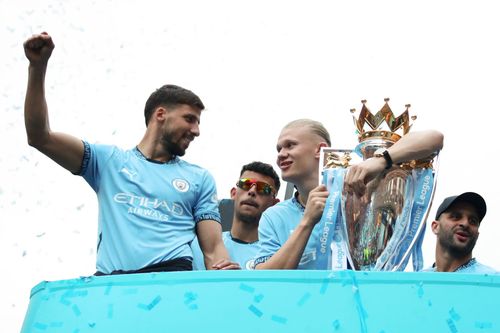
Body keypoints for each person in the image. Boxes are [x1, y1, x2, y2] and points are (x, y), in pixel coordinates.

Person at [23, 32, 238, 274]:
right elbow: (40, 137)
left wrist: (227, 278)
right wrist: (37, 67)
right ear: (160, 115)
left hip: (172, 278)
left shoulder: (199, 178)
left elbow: (213, 250)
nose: (196, 131)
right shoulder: (107, 162)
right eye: (190, 119)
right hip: (114, 286)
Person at [254, 118, 444, 270]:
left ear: (320, 150)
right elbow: (265, 280)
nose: (281, 154)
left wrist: (381, 161)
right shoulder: (273, 216)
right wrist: (307, 221)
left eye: (290, 145)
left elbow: (435, 138)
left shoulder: (355, 187)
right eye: (279, 148)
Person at [191, 161, 280, 270]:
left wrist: (237, 281)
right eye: (245, 184)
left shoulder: (275, 254)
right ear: (233, 193)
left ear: (274, 203)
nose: (252, 191)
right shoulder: (199, 244)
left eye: (263, 188)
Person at [423, 192, 496, 273]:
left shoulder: (493, 280)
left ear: (477, 235)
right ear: (435, 227)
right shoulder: (416, 281)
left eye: (473, 221)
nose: (465, 224)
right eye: (456, 216)